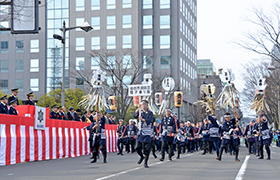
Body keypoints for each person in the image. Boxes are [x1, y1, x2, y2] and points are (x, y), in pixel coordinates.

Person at [133, 100, 155, 168]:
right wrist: (137, 109)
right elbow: (134, 115)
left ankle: (145, 162)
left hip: (147, 132)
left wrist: (143, 119)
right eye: (142, 104)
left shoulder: (150, 113)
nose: (143, 106)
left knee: (146, 149)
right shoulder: (140, 112)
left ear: (147, 105)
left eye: (145, 104)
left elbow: (151, 120)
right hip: (140, 132)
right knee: (137, 147)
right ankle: (141, 156)